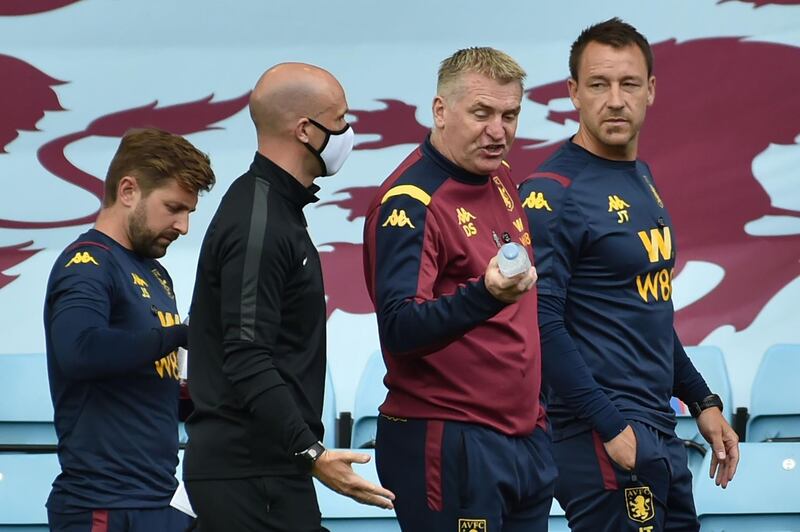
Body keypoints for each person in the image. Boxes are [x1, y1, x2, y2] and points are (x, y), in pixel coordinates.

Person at [519, 18, 740, 532]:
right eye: (598, 84)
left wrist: (701, 399)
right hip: (600, 434)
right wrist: (609, 425)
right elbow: (540, 323)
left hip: (659, 428)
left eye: (629, 84)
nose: (615, 100)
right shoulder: (551, 191)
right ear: (573, 92)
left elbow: (647, 309)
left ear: (651, 91)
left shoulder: (640, 176)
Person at [183, 62, 395, 532]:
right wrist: (313, 453)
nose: (347, 132)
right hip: (250, 476)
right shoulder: (257, 221)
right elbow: (246, 355)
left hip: (270, 473)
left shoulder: (280, 210)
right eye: (339, 120)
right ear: (305, 130)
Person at [362, 47, 555, 531]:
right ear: (440, 111)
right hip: (450, 437)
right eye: (482, 113)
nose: (499, 131)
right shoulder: (411, 203)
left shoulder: (501, 177)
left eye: (510, 115)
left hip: (523, 435)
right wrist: (486, 296)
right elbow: (401, 327)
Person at [43, 128, 215, 531]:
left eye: (189, 211)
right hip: (104, 505)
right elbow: (80, 351)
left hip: (161, 501)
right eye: (174, 207)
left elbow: (147, 387)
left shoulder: (158, 275)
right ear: (128, 191)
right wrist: (179, 335)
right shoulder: (88, 264)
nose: (184, 225)